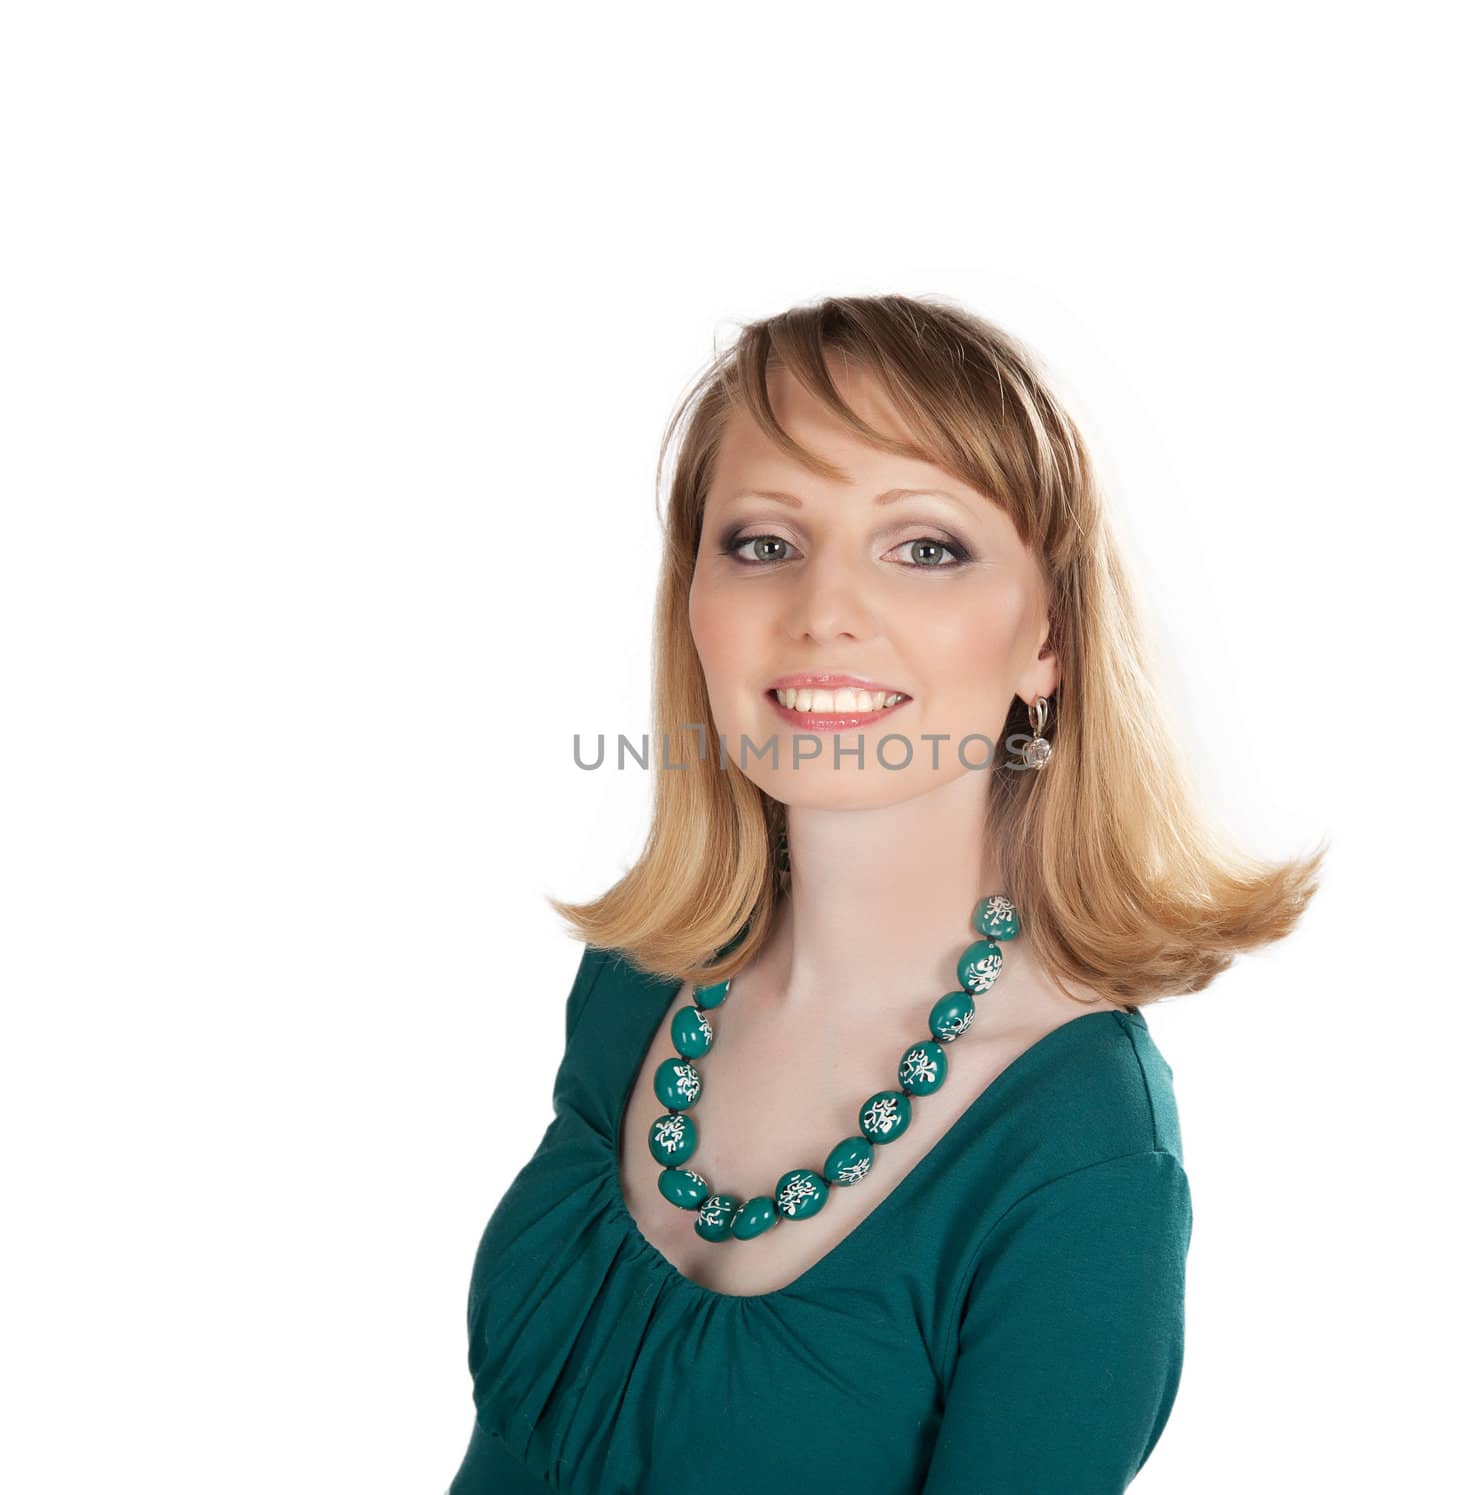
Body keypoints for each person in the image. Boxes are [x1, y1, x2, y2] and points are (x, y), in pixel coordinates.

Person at [448, 293, 1326, 1493]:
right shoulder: (633, 980)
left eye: (924, 547)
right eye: (763, 541)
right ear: (691, 599)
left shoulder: (1084, 1164)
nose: (822, 614)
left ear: (1047, 644)